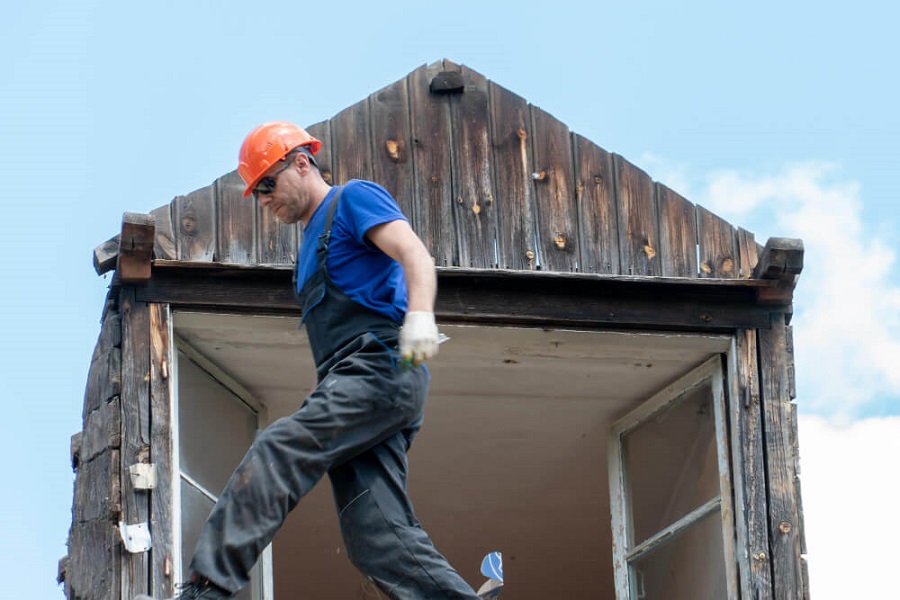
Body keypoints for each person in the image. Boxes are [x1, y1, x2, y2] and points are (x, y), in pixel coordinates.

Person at [136, 121, 482, 600]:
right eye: (256, 193)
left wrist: (420, 316)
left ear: (301, 162)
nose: (263, 200)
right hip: (350, 380)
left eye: (267, 185)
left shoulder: (354, 199)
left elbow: (414, 255)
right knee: (375, 537)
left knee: (277, 448)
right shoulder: (307, 251)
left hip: (380, 366)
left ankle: (207, 588)